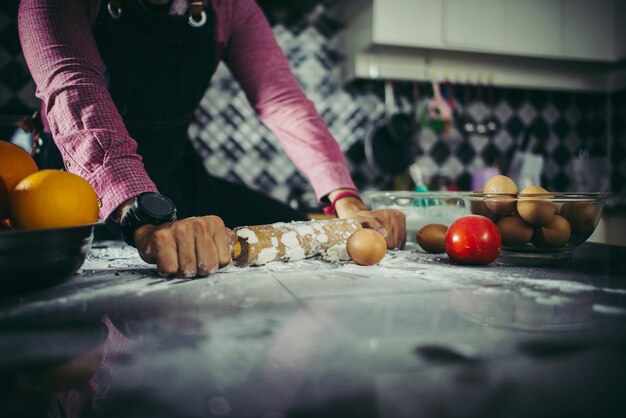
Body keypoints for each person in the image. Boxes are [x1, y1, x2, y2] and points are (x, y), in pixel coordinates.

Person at [18, 0, 406, 277]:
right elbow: (76, 90)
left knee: (289, 226)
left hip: (178, 180)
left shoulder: (232, 9)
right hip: (75, 194)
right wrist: (144, 217)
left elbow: (283, 102)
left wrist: (346, 201)